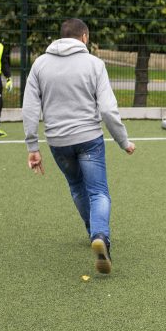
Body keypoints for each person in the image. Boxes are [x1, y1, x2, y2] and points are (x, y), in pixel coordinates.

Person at [22, 18, 136, 274]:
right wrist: (123, 141)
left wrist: (32, 146)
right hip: (89, 139)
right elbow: (107, 109)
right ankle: (100, 236)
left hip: (57, 142)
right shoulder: (94, 64)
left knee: (76, 186)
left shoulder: (40, 64)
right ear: (84, 37)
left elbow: (30, 107)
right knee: (99, 192)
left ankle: (92, 233)